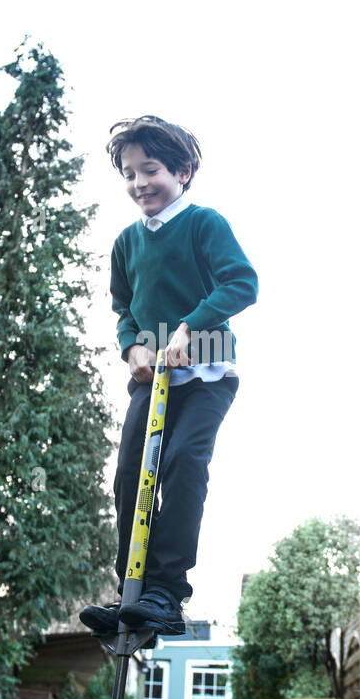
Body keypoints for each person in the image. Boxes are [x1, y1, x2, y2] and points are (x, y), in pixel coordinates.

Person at [80, 116, 258, 636]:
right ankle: (130, 593)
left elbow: (241, 283)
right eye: (129, 174)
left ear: (182, 171)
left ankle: (166, 593)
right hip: (150, 380)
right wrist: (131, 346)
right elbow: (124, 312)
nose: (139, 184)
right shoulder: (126, 243)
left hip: (207, 372)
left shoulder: (205, 224)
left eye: (150, 169)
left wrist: (188, 328)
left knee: (182, 461)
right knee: (130, 476)